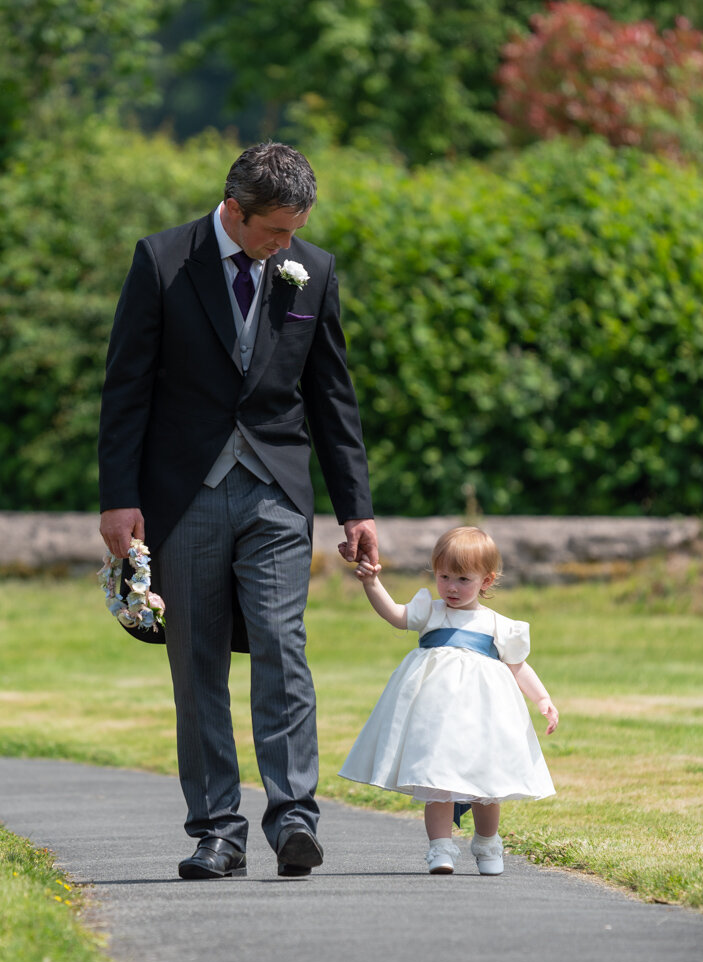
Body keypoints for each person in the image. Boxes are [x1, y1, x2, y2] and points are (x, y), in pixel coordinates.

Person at [98, 142, 379, 880]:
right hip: (183, 493)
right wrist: (118, 499)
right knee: (196, 661)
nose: (285, 245)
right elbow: (125, 387)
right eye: (273, 232)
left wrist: (357, 507)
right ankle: (217, 830)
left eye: (293, 231)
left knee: (283, 647)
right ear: (234, 210)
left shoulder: (311, 271)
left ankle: (294, 818)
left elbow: (331, 394)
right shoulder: (161, 262)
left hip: (278, 491)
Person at [339, 526, 558, 875]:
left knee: (489, 785)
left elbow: (517, 666)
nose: (451, 587)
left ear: (486, 582)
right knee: (436, 781)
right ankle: (440, 847)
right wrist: (371, 583)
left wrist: (542, 698)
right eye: (444, 577)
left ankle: (487, 842)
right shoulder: (431, 610)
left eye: (463, 579)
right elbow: (396, 615)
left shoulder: (496, 624)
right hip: (435, 717)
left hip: (482, 718)